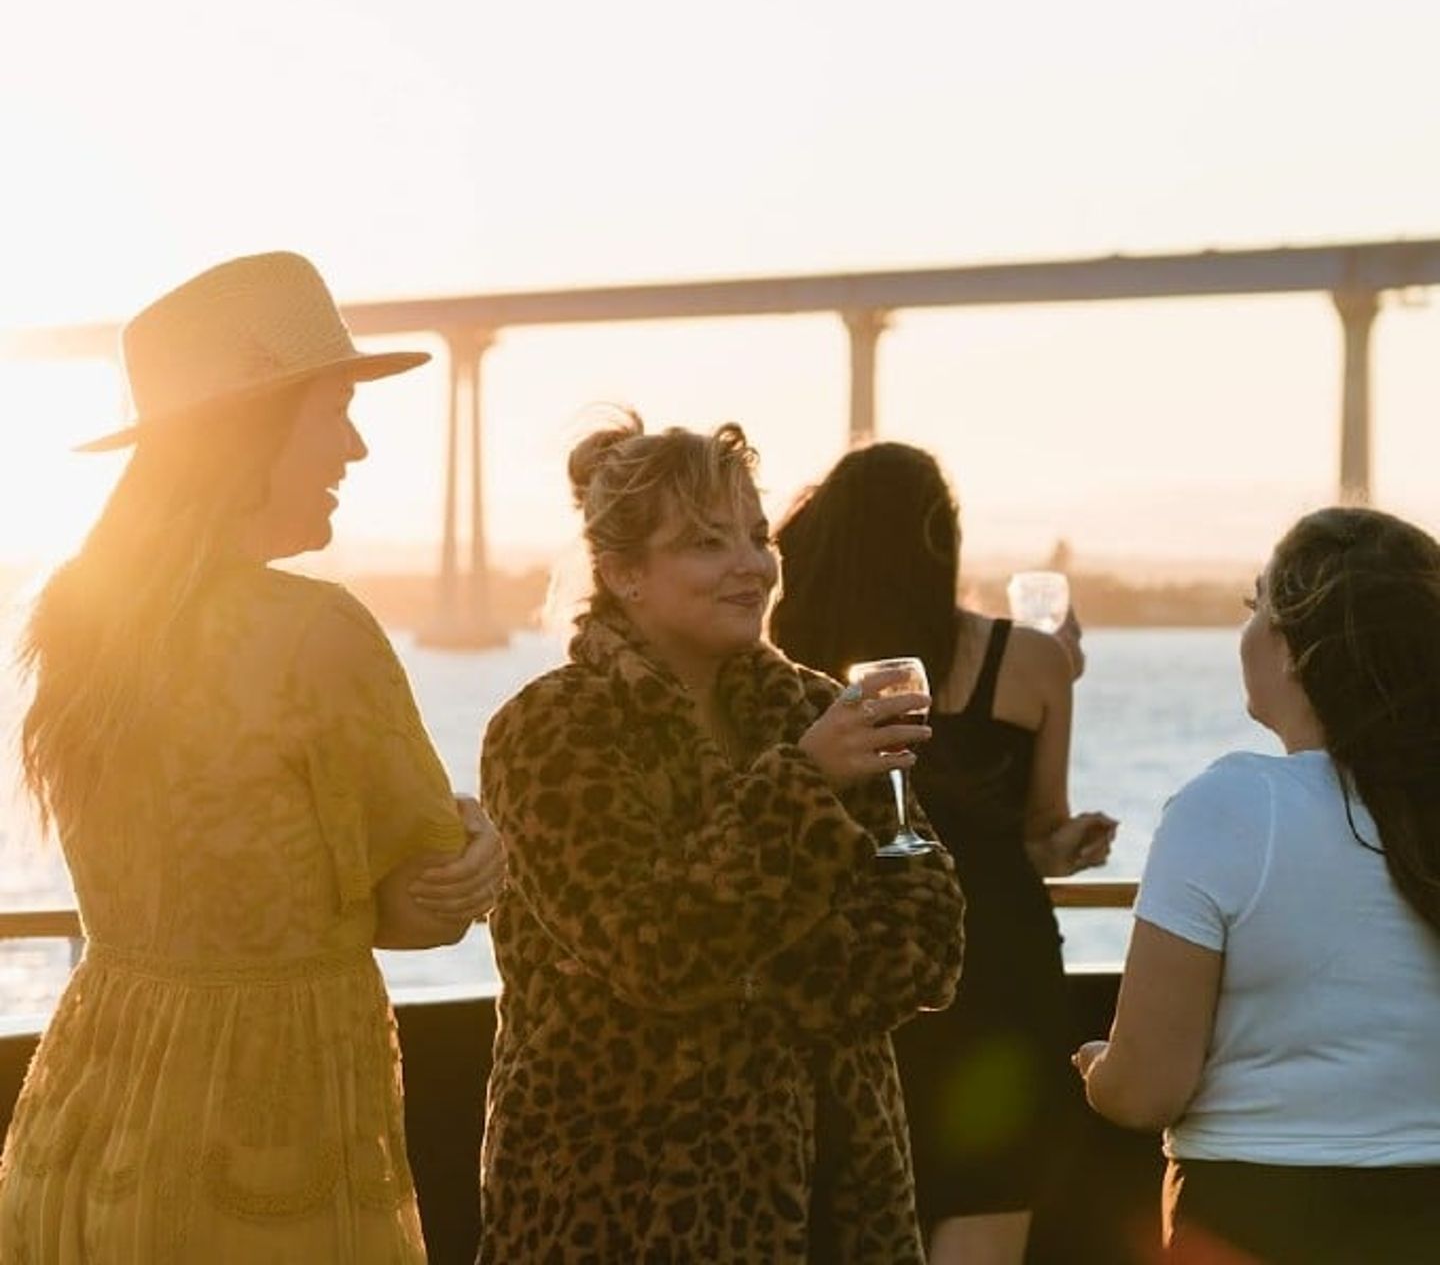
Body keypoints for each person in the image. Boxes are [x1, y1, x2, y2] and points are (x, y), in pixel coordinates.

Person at [0, 251, 504, 1264]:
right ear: (252, 432)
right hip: (264, 1157)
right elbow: (420, 908)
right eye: (333, 412)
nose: (355, 448)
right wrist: (480, 852)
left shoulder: (78, 624)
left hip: (89, 1129)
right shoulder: (318, 634)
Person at [476, 412, 965, 1263]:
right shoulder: (549, 730)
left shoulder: (816, 709)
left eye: (757, 535)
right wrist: (804, 787)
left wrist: (745, 973)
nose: (751, 566)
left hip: (837, 1193)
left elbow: (928, 940)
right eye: (706, 543)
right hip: (625, 1200)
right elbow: (655, 951)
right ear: (625, 574)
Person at [770, 440, 1116, 1265]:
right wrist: (1065, 849)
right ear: (941, 538)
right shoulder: (1032, 661)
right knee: (990, 1203)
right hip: (998, 967)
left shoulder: (791, 667)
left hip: (858, 968)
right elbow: (1038, 833)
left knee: (852, 1214)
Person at [1073, 506, 1440, 1264]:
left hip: (1256, 1219)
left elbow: (1146, 1092)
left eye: (1255, 606)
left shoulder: (1232, 807)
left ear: (1294, 650)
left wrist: (1099, 1070)